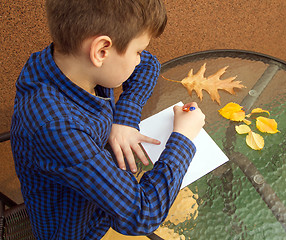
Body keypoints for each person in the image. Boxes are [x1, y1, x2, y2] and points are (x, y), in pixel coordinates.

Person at [10, 0, 205, 239]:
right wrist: (183, 138)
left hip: (100, 194)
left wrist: (123, 120)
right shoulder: (54, 126)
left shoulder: (69, 66)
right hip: (75, 229)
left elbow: (149, 66)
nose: (138, 59)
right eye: (137, 51)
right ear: (101, 50)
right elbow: (142, 214)